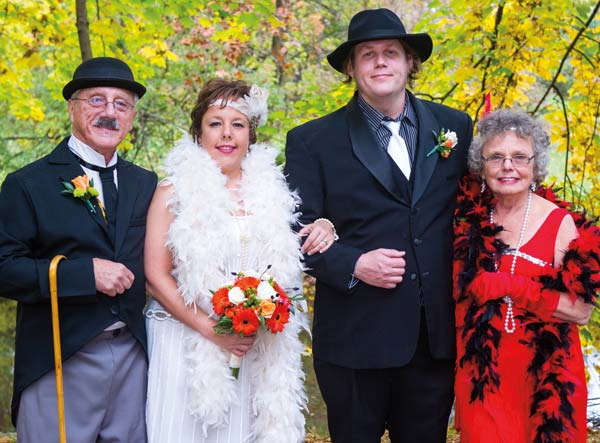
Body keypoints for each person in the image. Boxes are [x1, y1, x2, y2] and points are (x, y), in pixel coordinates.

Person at [284, 8, 474, 443]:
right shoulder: (312, 141)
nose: (380, 62)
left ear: (410, 62)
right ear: (351, 69)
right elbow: (294, 232)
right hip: (354, 340)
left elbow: (479, 210)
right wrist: (353, 264)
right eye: (367, 55)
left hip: (433, 341)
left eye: (391, 52)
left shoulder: (454, 127)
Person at [143, 78, 335, 443]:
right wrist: (210, 329)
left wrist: (326, 225)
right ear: (198, 132)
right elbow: (155, 274)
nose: (227, 134)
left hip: (255, 344)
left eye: (238, 124)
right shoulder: (172, 191)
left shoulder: (274, 192)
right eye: (215, 123)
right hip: (188, 340)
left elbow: (295, 246)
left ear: (251, 134)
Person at [0, 57, 157, 442]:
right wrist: (85, 274)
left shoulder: (146, 183)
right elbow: (4, 269)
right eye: (96, 100)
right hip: (59, 355)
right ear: (72, 107)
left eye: (121, 104)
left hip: (135, 359)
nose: (110, 113)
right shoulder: (27, 184)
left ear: (132, 117)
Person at [453, 109, 598, 442]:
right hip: (484, 378)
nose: (508, 166)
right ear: (481, 166)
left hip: (545, 383)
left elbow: (581, 311)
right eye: (496, 157)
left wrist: (509, 284)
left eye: (519, 157)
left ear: (536, 165)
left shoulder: (560, 223)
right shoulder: (468, 222)